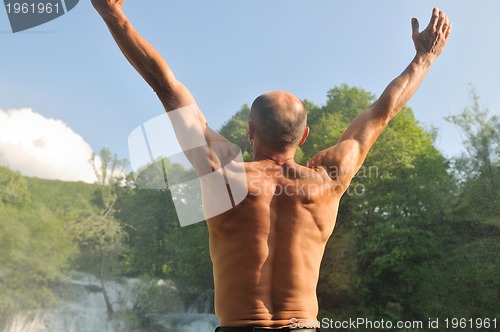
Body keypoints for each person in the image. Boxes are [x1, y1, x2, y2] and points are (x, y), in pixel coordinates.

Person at [91, 1, 451, 331]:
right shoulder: (327, 182)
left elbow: (166, 88)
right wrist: (424, 58)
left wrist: (114, 16)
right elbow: (382, 113)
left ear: (249, 131)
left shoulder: (224, 175)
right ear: (304, 135)